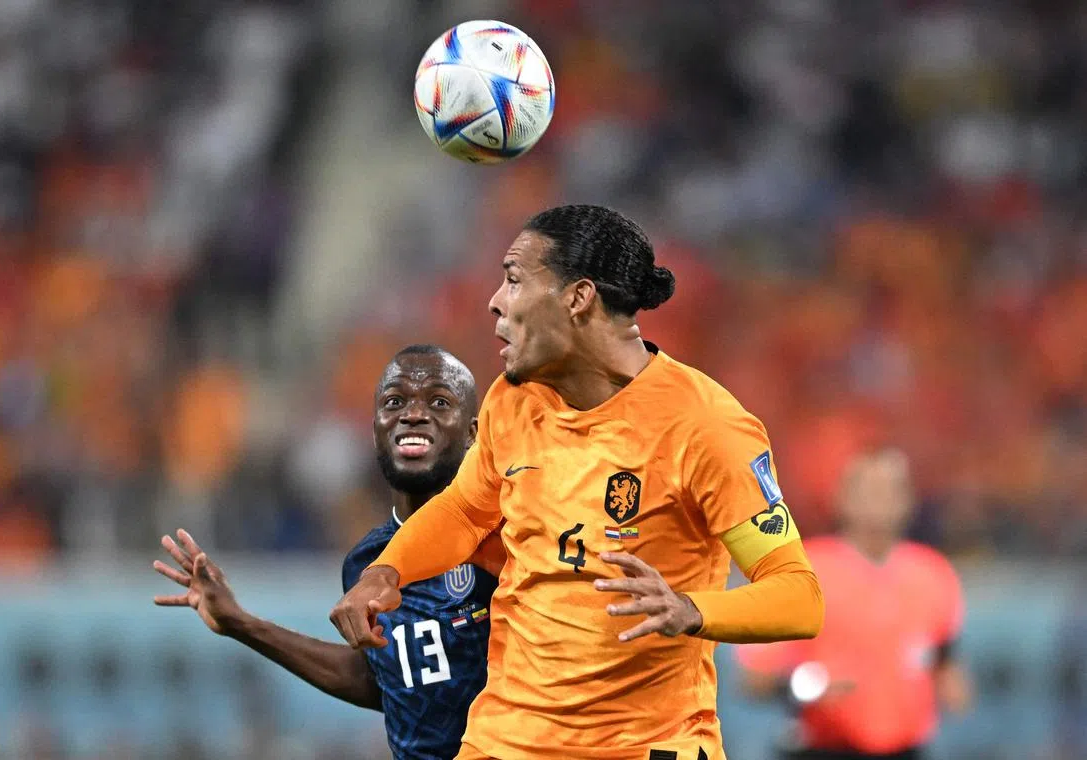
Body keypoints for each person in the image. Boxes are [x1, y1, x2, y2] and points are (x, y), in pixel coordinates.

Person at [330, 205, 825, 760]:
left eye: (514, 279)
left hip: (645, 745)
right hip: (506, 740)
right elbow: (465, 511)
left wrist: (691, 610)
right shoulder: (513, 401)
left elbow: (798, 596)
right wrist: (387, 571)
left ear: (578, 297)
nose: (495, 301)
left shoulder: (706, 427)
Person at [153, 345, 505, 760]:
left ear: (473, 432)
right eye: (395, 401)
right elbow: (386, 681)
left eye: (439, 401)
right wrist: (240, 623)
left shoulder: (506, 536)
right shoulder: (366, 561)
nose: (413, 413)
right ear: (376, 428)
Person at [733, 448, 971, 760]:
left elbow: (944, 663)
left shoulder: (934, 574)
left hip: (906, 750)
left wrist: (950, 687)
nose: (880, 501)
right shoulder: (804, 570)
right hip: (824, 749)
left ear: (909, 500)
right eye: (869, 490)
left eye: (891, 490)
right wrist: (810, 686)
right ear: (843, 498)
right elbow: (754, 679)